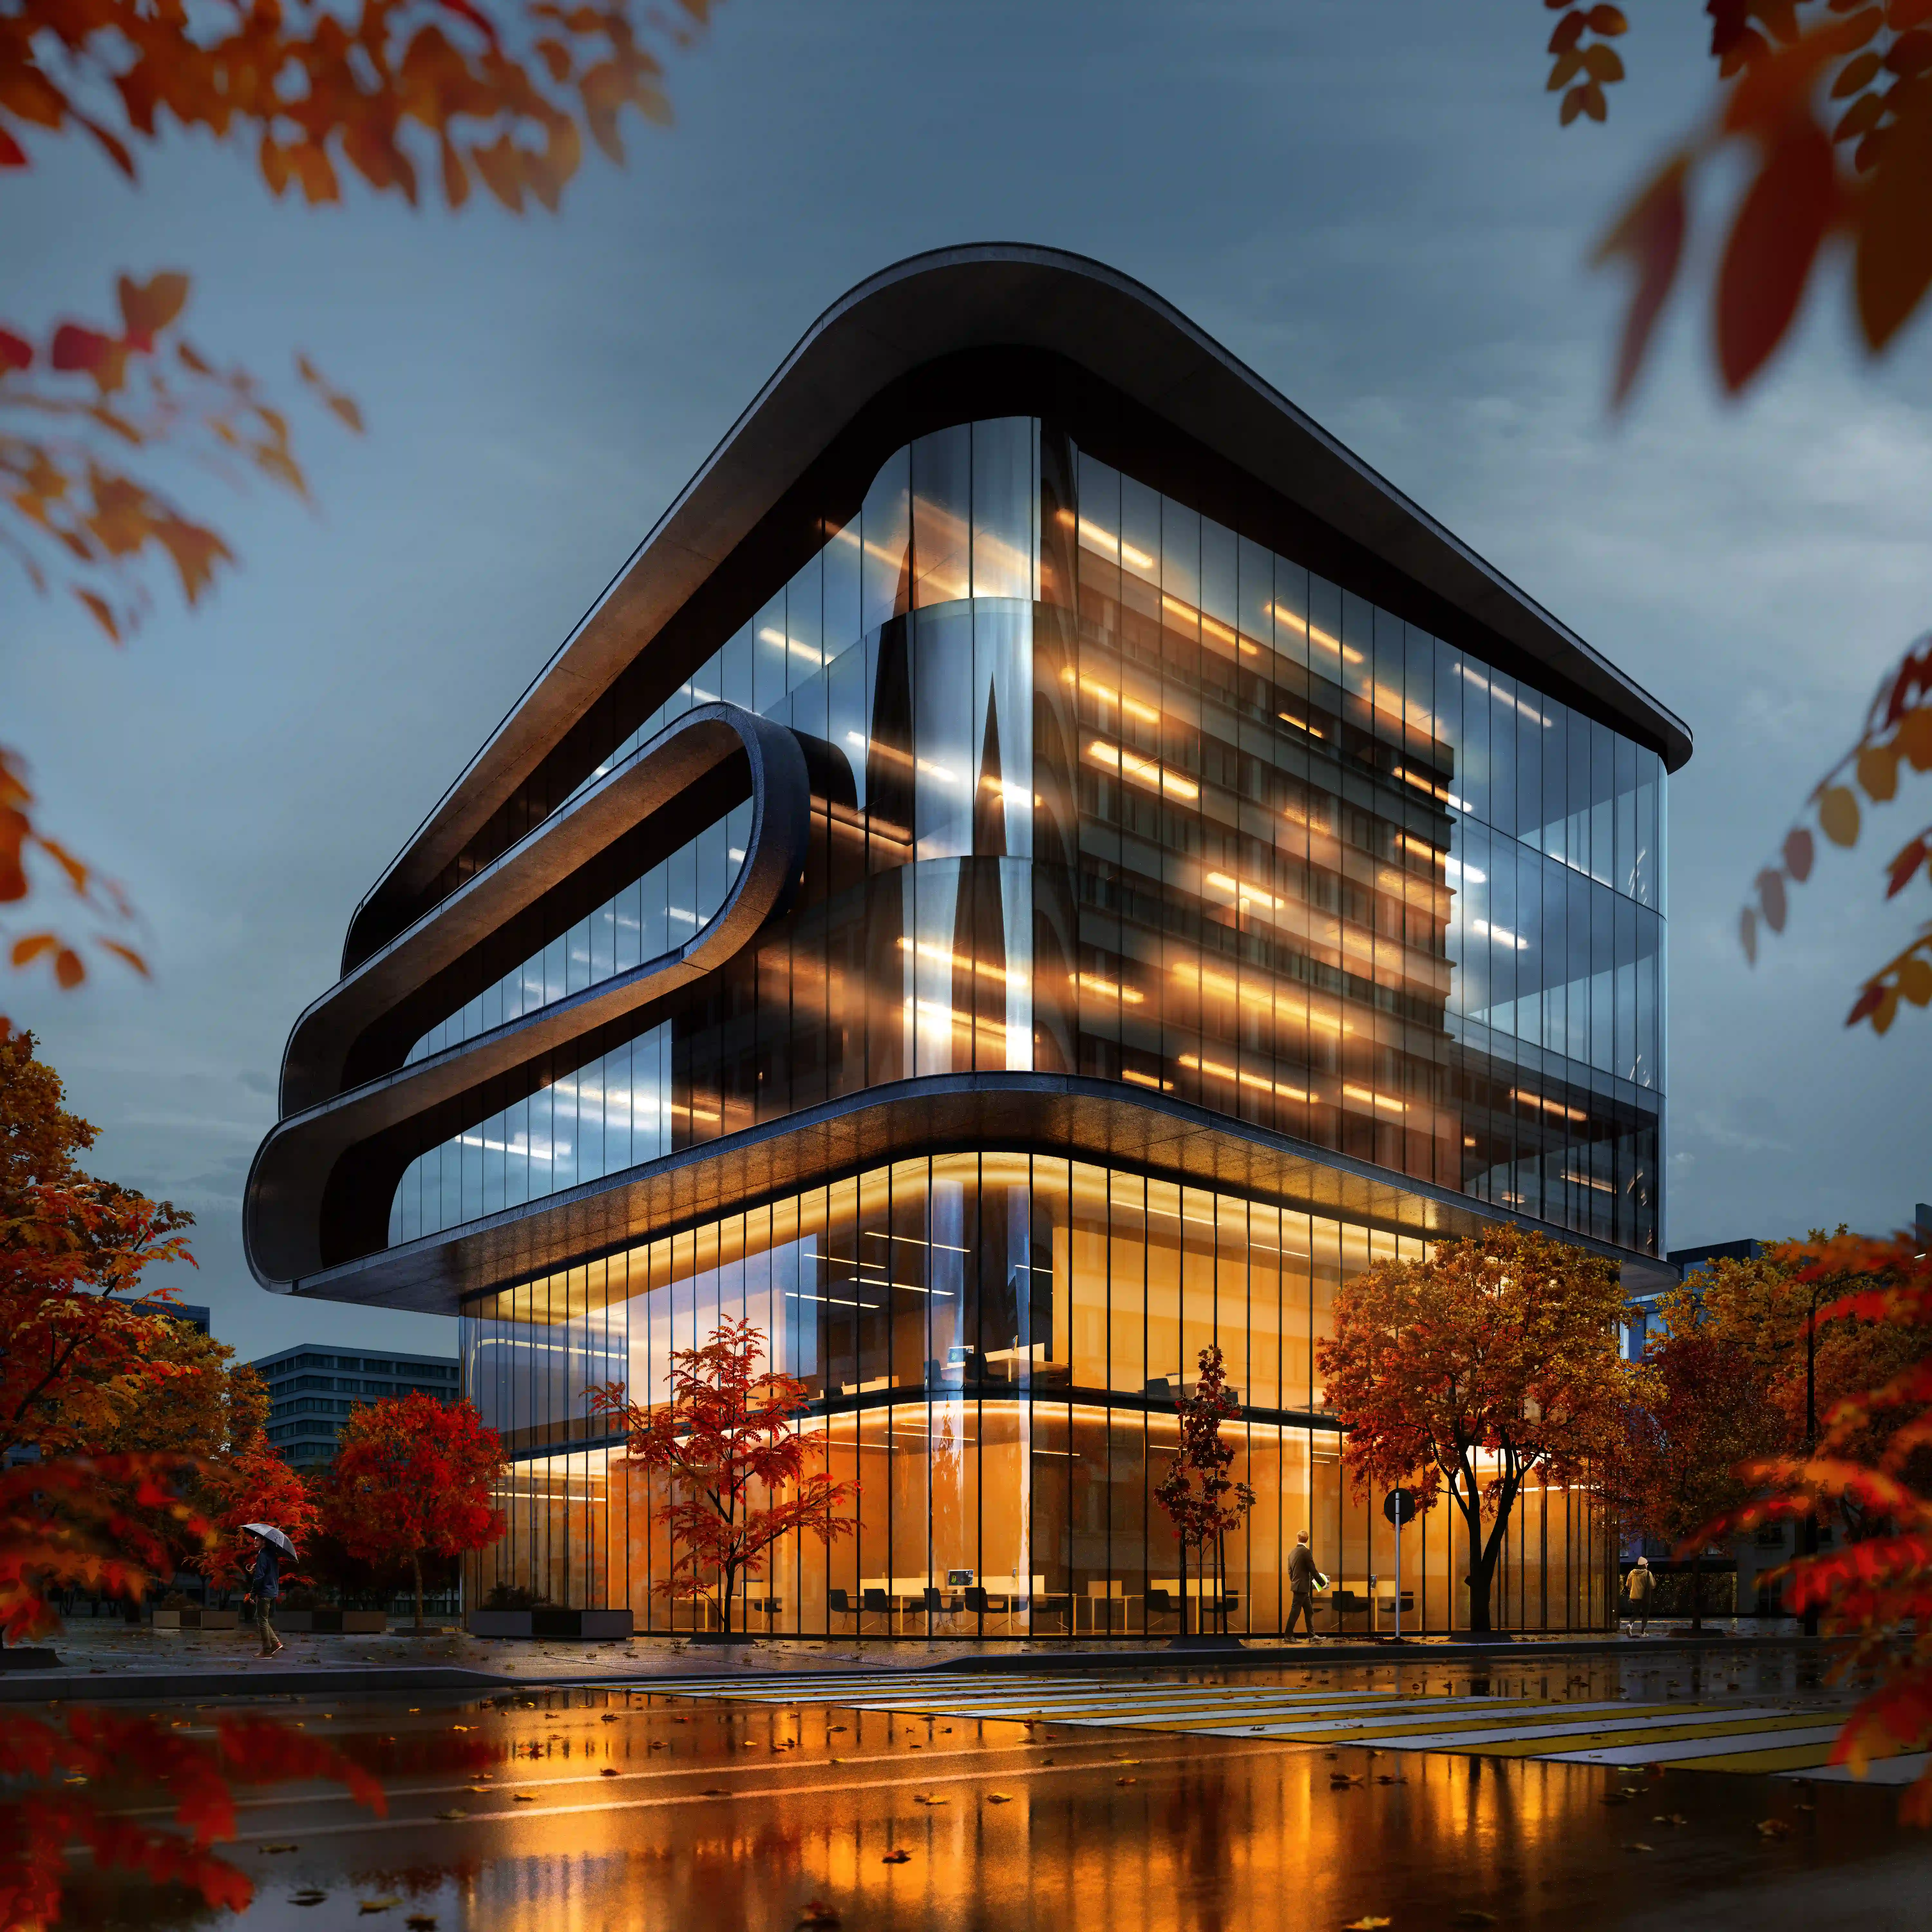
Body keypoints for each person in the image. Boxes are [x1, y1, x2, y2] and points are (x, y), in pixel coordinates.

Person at [244, 1529, 286, 1657]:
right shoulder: (271, 1554)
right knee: (263, 1618)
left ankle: (267, 1650)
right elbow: (267, 1571)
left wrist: (253, 1593)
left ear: (264, 1541)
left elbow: (260, 1577)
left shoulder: (263, 1555)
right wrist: (257, 1566)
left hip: (265, 1591)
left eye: (257, 1540)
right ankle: (276, 1643)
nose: (254, 1542)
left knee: (262, 1621)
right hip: (271, 1590)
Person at [1285, 1530, 1321, 1640]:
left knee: (1309, 1610)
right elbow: (1313, 1570)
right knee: (1295, 1612)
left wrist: (1295, 1581)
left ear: (1298, 1539)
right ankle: (1288, 1635)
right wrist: (1323, 1583)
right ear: (1307, 1540)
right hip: (1302, 1587)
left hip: (1299, 1587)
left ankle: (1312, 1635)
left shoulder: (1292, 1553)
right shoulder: (1307, 1552)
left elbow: (1290, 1571)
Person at [1623, 1554, 1655, 1637]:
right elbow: (1653, 1585)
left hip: (1634, 1597)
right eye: (1647, 1564)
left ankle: (1630, 1625)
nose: (1647, 1565)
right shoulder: (1648, 1574)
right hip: (1645, 1598)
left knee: (1636, 1613)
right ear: (1644, 1565)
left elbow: (1627, 1585)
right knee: (1645, 1615)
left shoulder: (1632, 1573)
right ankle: (1642, 1632)